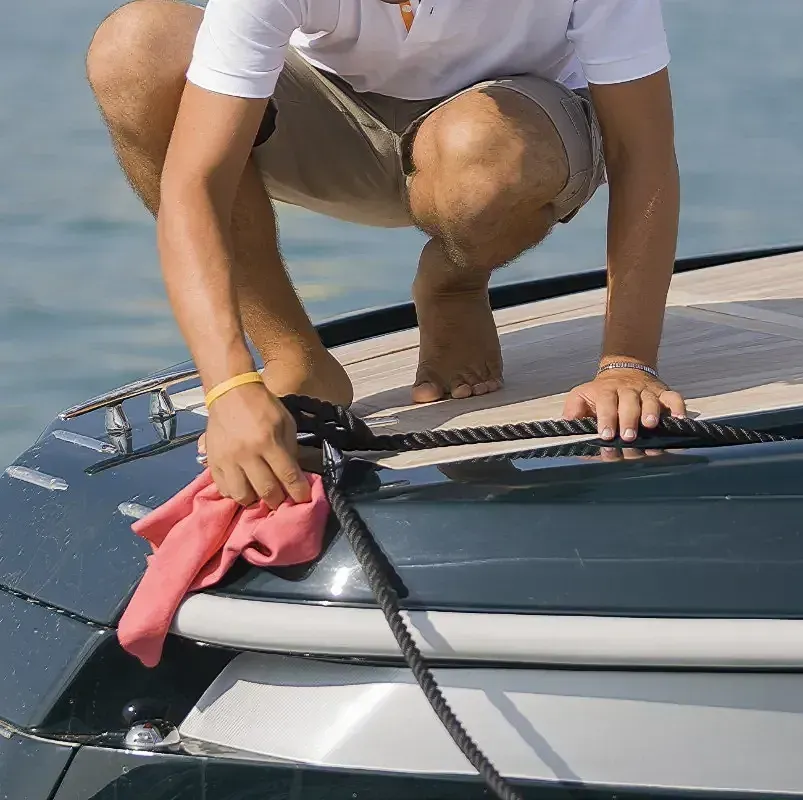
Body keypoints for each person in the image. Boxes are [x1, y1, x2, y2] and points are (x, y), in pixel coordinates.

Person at [85, 0, 687, 509]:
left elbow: (643, 154)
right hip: (334, 126)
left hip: (510, 142)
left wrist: (627, 362)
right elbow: (195, 183)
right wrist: (229, 386)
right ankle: (295, 354)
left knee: (484, 149)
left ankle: (455, 281)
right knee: (134, 47)